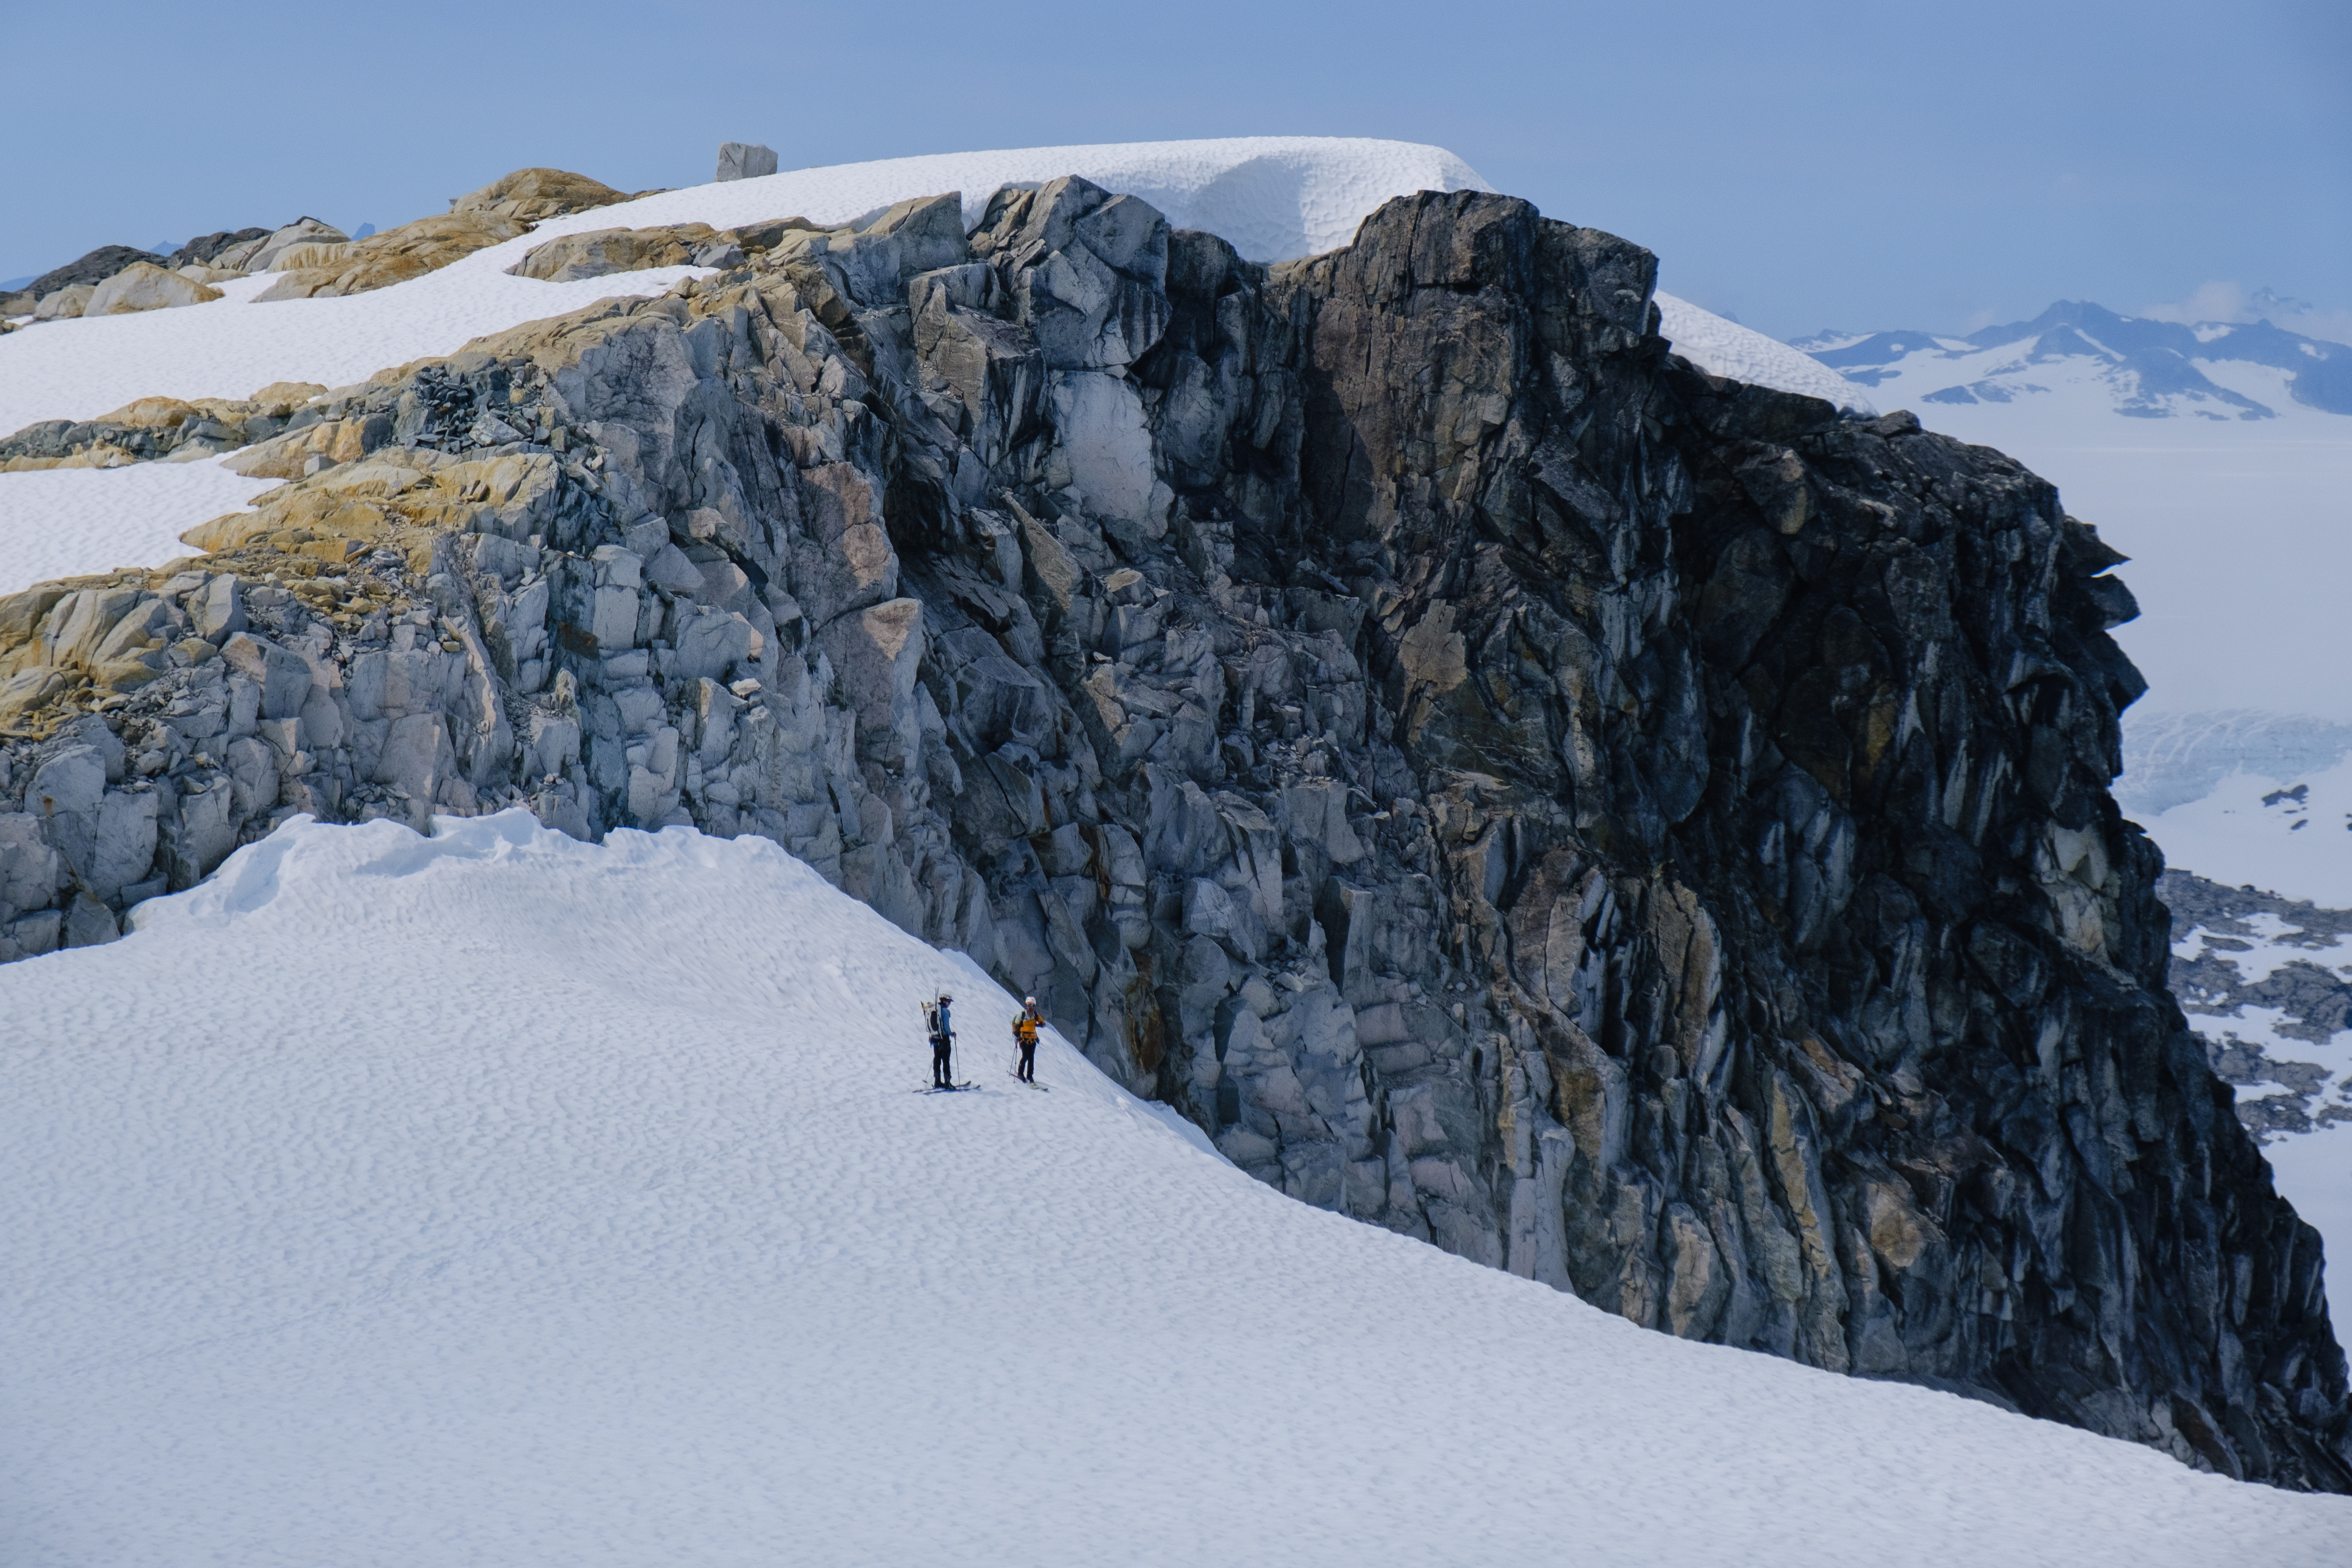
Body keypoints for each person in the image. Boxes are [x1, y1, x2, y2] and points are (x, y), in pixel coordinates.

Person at [926, 993, 956, 1089]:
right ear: (944, 1001)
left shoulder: (934, 1010)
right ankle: (948, 1083)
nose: (950, 1004)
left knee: (937, 1059)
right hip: (944, 1039)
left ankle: (937, 1082)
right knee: (946, 1060)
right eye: (949, 1002)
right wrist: (952, 1034)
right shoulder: (945, 1012)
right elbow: (946, 1027)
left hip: (935, 1039)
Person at [1012, 996, 1041, 1083]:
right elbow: (1015, 1025)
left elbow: (1042, 1024)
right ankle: (1020, 1074)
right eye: (1029, 1005)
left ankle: (1030, 1075)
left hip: (1032, 1039)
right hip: (1023, 1039)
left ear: (1034, 1006)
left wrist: (1035, 1024)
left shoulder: (1035, 1015)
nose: (1030, 1007)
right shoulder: (1022, 1015)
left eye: (1032, 1005)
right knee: (1026, 1056)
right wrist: (1016, 1033)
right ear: (1026, 1006)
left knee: (1031, 1057)